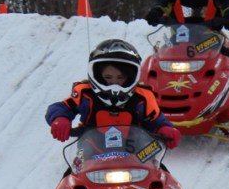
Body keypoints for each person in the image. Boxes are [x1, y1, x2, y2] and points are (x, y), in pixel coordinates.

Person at [45, 38, 181, 149]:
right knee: (70, 179)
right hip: (90, 155)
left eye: (120, 78)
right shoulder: (85, 93)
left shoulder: (143, 97)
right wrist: (60, 118)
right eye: (108, 78)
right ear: (97, 75)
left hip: (137, 156)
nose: (114, 83)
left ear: (131, 77)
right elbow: (62, 107)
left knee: (161, 176)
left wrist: (165, 128)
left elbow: (157, 119)